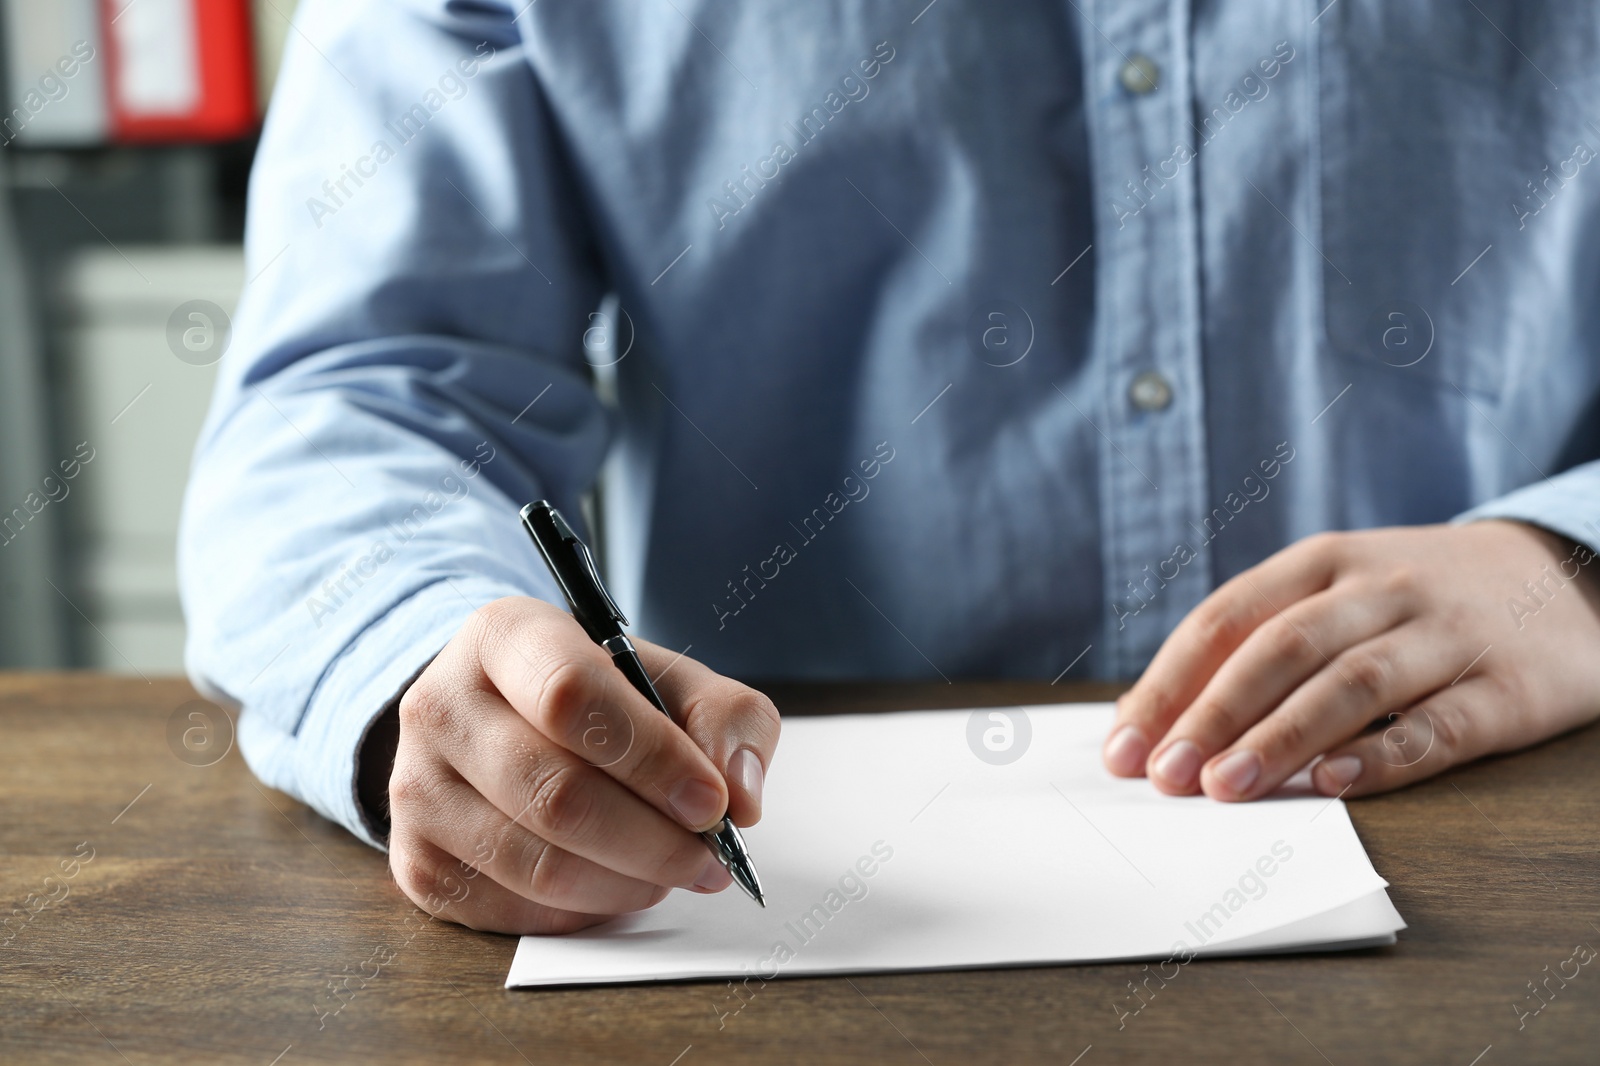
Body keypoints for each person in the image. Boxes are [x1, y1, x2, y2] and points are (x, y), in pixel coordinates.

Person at [180, 0, 1600, 935]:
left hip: (1506, 860)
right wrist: (428, 657)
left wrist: (1572, 560)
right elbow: (363, 391)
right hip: (755, 897)